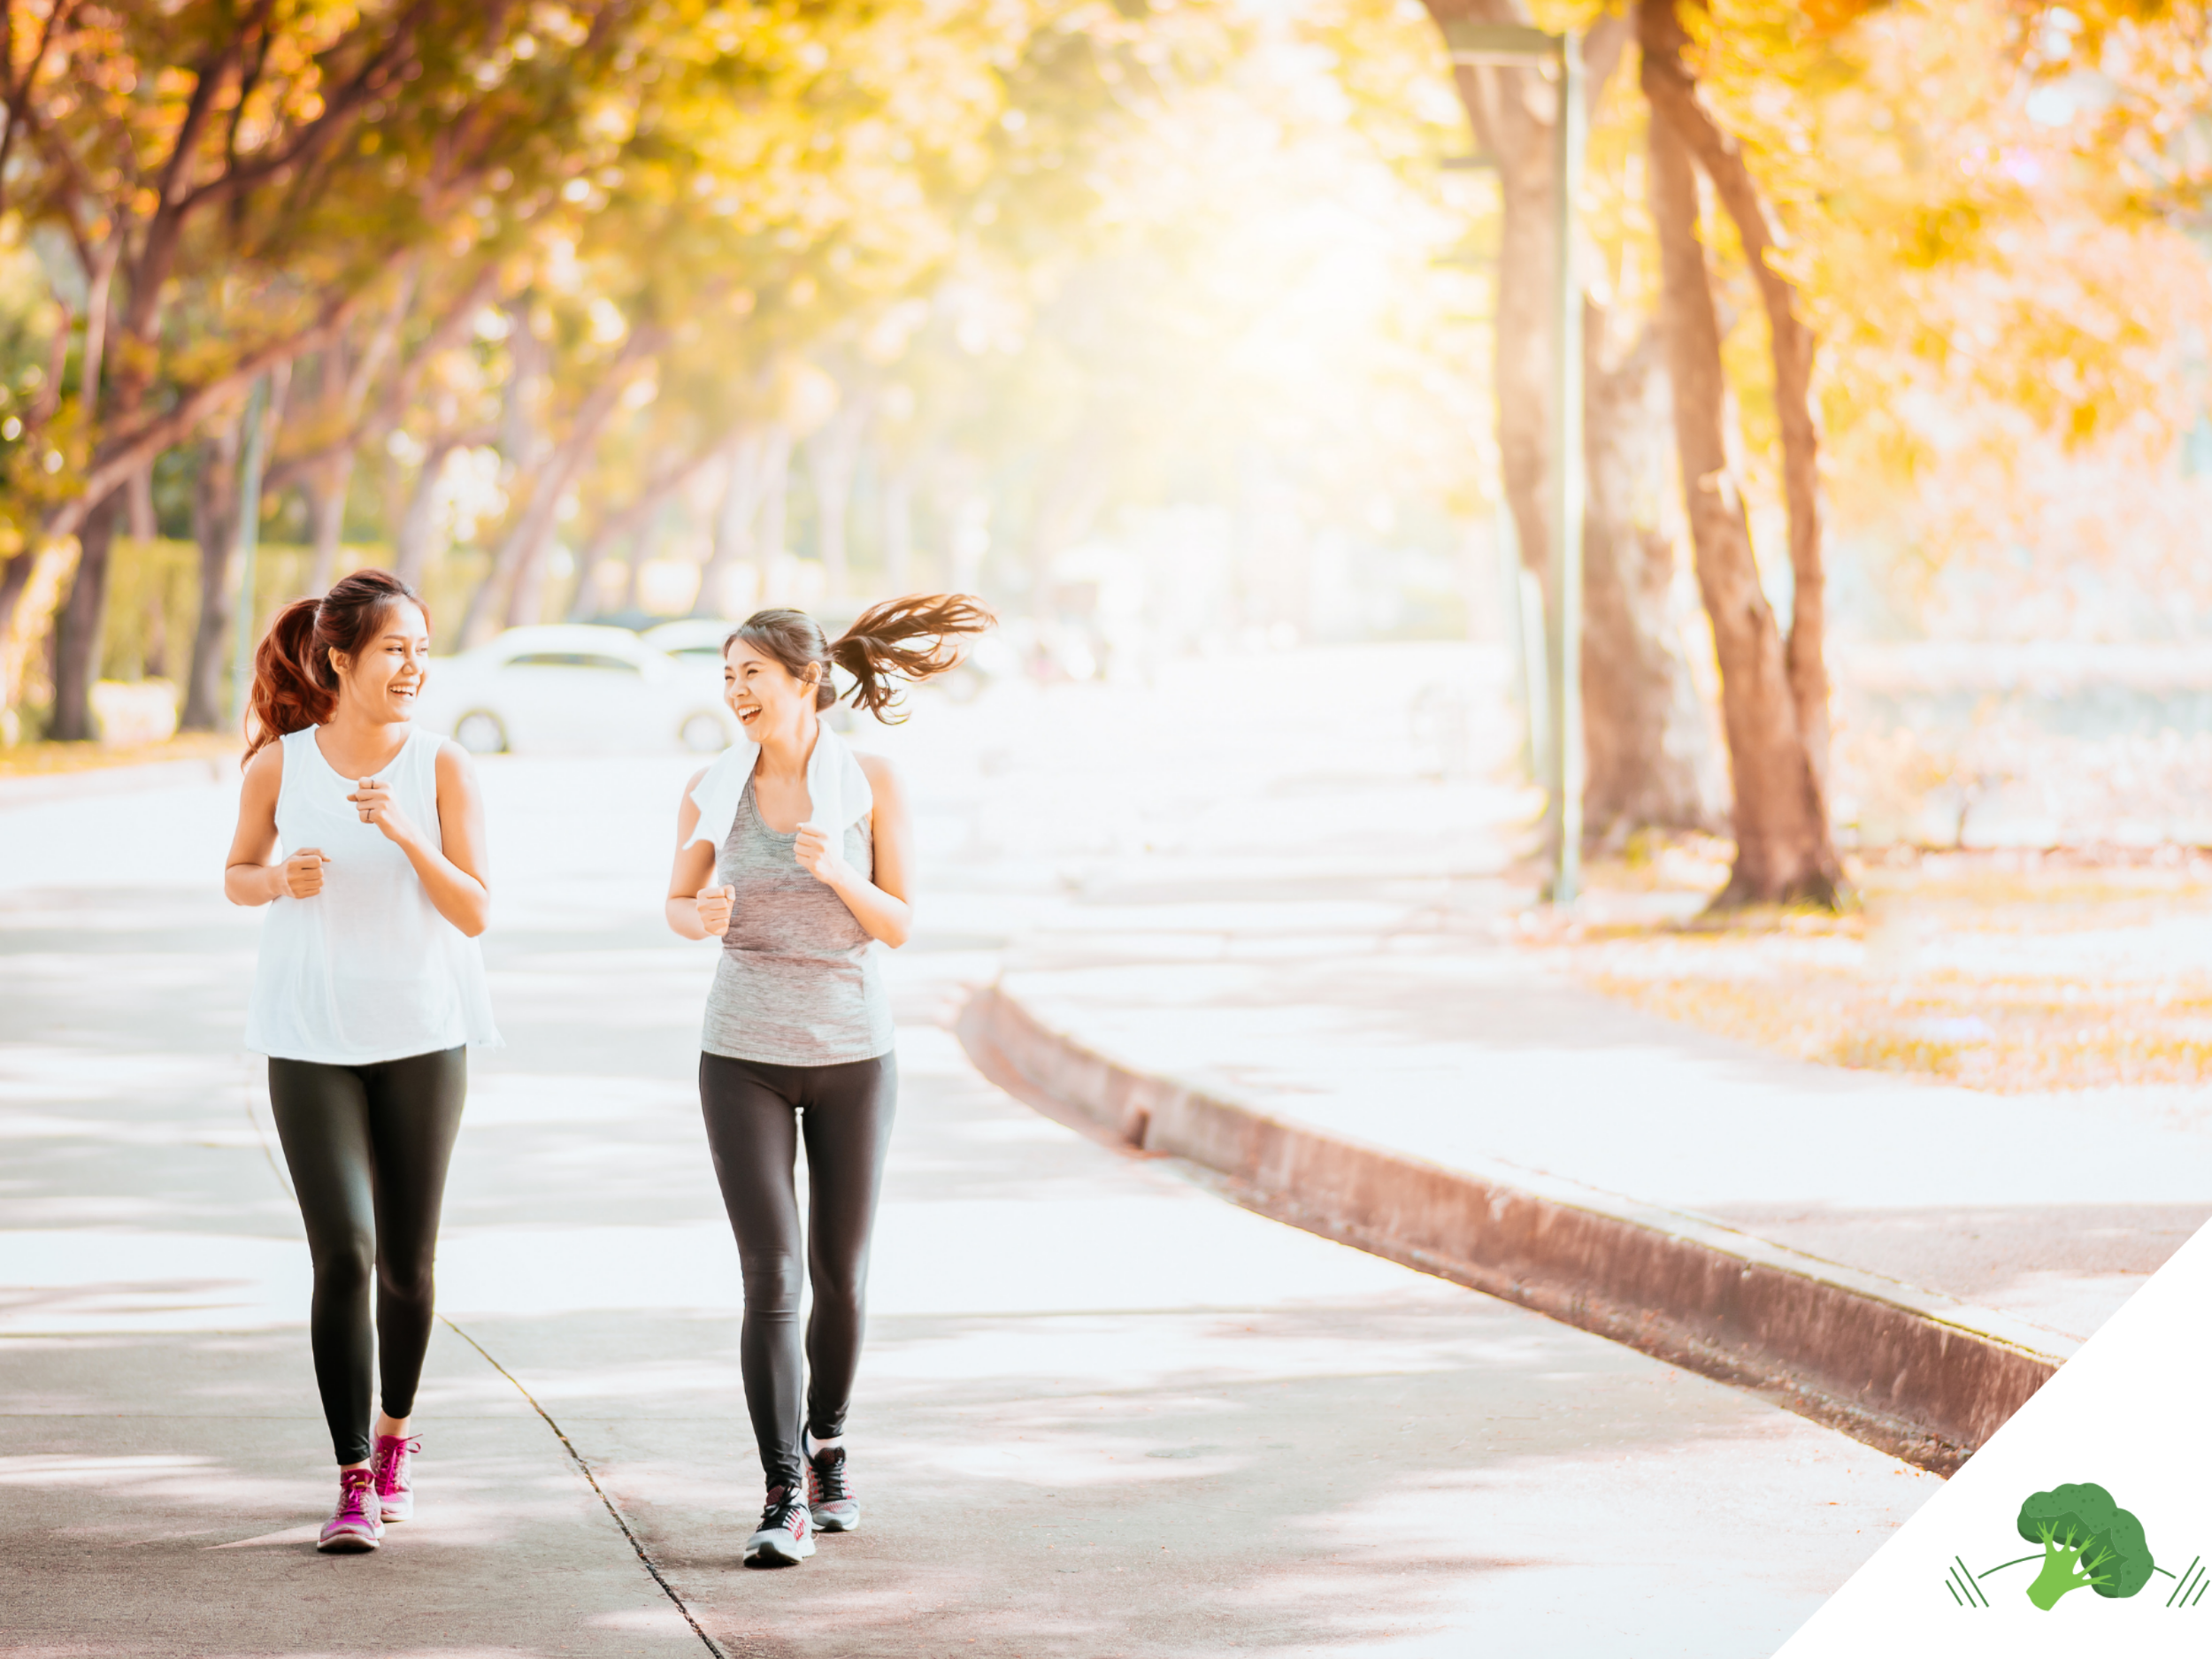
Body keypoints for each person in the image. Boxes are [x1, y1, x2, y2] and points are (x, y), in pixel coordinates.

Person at [664, 595, 993, 1566]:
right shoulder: (712, 784)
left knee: (840, 1277)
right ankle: (779, 1492)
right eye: (726, 678)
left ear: (803, 682)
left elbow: (896, 923)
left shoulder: (872, 780)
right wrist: (703, 913)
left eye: (750, 676)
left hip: (853, 1055)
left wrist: (838, 871)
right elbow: (675, 905)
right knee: (772, 1275)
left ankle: (830, 1448)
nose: (736, 693)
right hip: (741, 1055)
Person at [221, 569, 499, 1554]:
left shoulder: (443, 765)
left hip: (424, 1035)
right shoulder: (280, 767)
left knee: (409, 1268)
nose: (415, 667)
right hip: (308, 1036)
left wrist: (408, 834)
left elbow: (472, 909)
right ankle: (349, 1481)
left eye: (424, 650)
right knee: (345, 1252)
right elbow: (235, 877)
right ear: (341, 659)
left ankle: (395, 1440)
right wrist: (277, 880)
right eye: (395, 650)